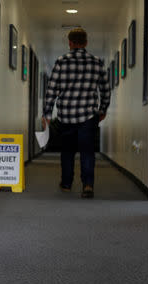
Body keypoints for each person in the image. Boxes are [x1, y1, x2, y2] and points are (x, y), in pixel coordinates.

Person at [42, 28, 111, 198]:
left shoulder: (61, 61)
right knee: (87, 151)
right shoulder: (97, 62)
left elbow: (51, 90)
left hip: (66, 115)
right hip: (88, 115)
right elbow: (105, 90)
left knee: (67, 151)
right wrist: (102, 110)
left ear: (70, 43)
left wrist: (47, 115)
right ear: (86, 43)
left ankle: (66, 183)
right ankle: (88, 185)